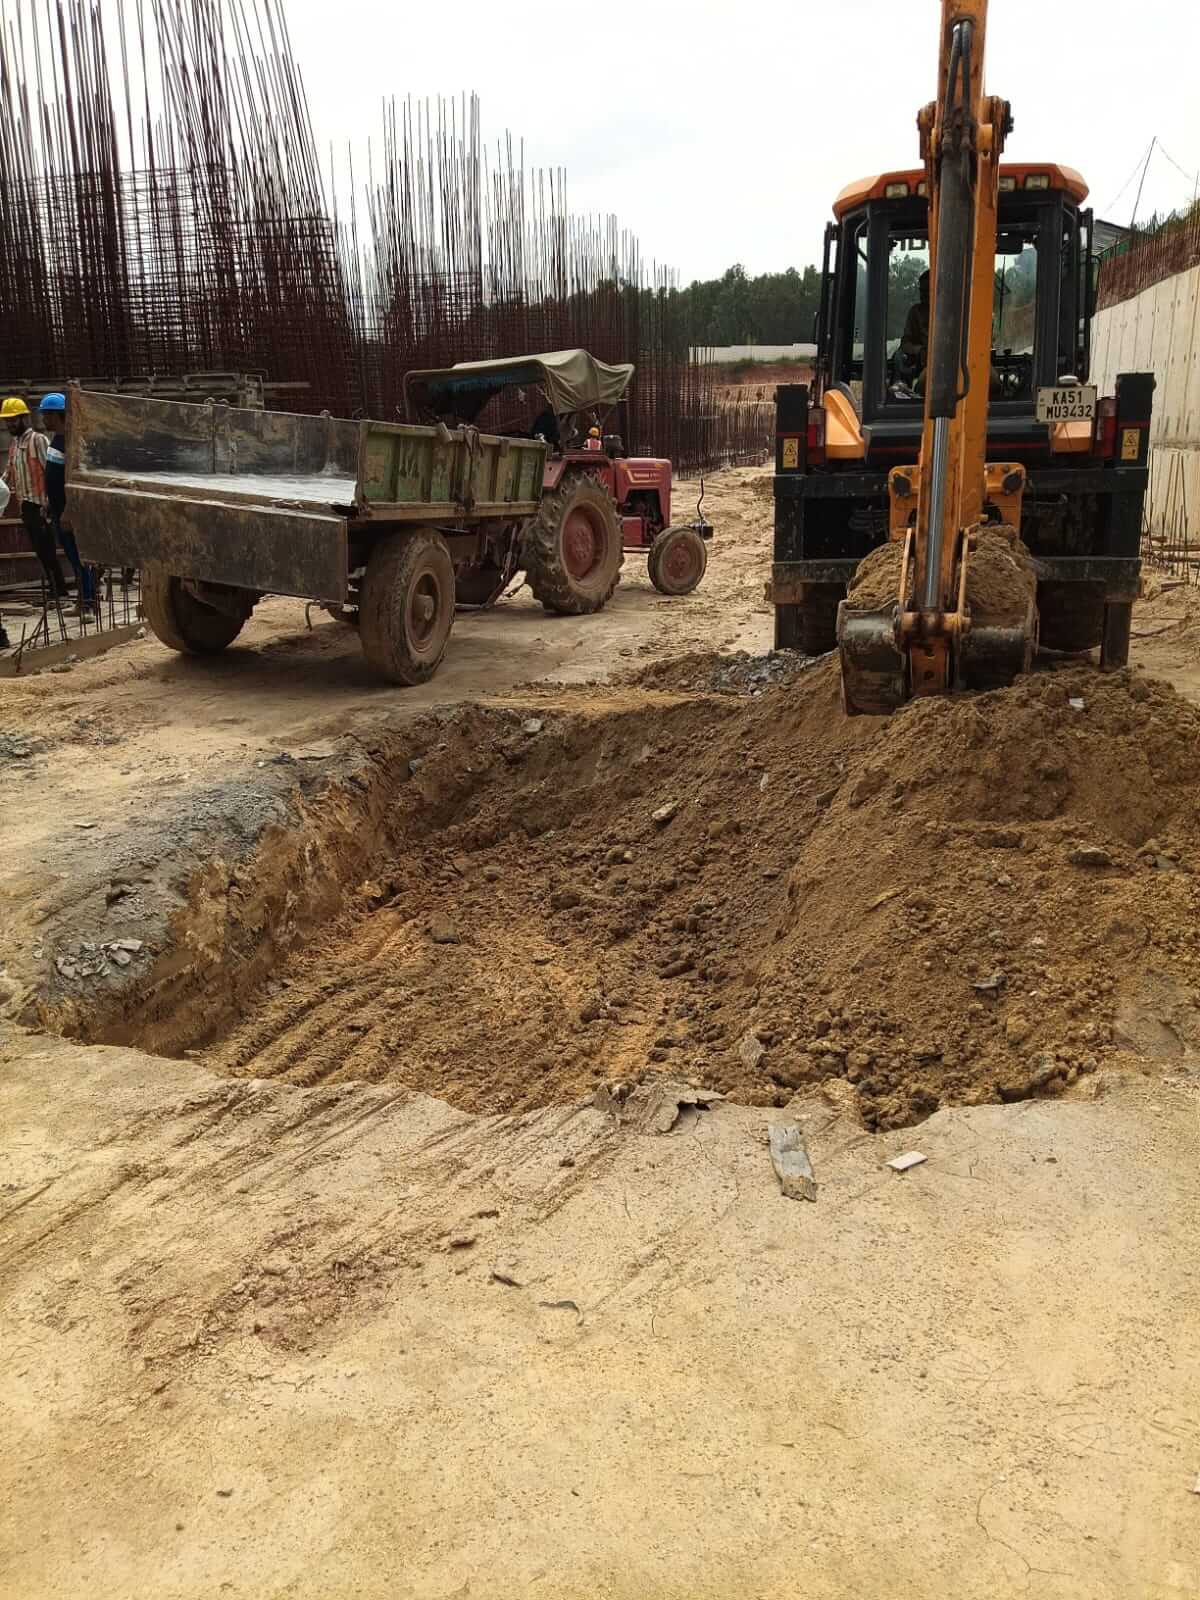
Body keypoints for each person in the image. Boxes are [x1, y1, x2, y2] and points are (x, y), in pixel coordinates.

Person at [2, 396, 67, 600]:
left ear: (24, 418)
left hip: (40, 504)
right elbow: (8, 473)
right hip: (25, 506)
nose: (10, 424)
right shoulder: (14, 445)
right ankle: (55, 590)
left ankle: (60, 591)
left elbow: (50, 470)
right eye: (7, 421)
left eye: (13, 420)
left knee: (47, 550)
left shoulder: (38, 440)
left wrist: (48, 501)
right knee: (40, 551)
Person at [39, 392, 95, 614]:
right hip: (58, 509)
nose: (44, 419)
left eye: (47, 415)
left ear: (57, 415)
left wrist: (68, 512)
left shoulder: (70, 444)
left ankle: (87, 604)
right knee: (74, 558)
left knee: (79, 558)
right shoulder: (56, 441)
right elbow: (55, 478)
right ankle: (84, 600)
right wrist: (49, 502)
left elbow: (75, 481)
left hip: (68, 514)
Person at [897, 269, 931, 379]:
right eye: (921, 291)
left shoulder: (949, 315)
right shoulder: (916, 312)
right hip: (924, 366)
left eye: (927, 291)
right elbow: (905, 344)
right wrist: (920, 350)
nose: (923, 295)